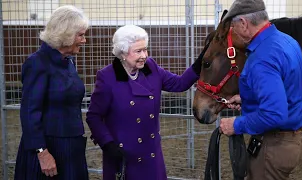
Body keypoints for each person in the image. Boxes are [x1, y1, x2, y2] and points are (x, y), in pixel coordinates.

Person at [86, 24, 202, 180]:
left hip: (151, 154)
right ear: (123, 53)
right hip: (123, 155)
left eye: (145, 49)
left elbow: (179, 84)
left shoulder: (151, 67)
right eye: (138, 51)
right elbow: (94, 116)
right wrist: (107, 144)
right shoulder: (107, 77)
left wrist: (202, 62)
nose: (144, 55)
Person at [219, 0, 302, 179]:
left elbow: (274, 114)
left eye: (234, 26)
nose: (234, 31)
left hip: (272, 146)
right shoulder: (287, 41)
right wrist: (247, 99)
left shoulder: (262, 57)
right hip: (289, 141)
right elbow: (286, 86)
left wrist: (236, 125)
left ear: (243, 23)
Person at [14, 5, 89, 180]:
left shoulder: (68, 61)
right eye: (81, 35)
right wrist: (42, 153)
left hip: (71, 147)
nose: (84, 40)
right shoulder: (37, 63)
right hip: (48, 150)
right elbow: (29, 112)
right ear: (66, 34)